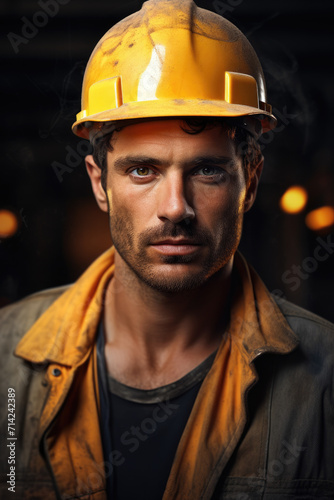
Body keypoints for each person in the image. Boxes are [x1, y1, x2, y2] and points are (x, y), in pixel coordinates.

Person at [1, 0, 333, 499]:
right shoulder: (6, 358)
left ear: (252, 180)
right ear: (99, 183)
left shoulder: (326, 377)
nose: (176, 208)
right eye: (143, 170)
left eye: (207, 170)